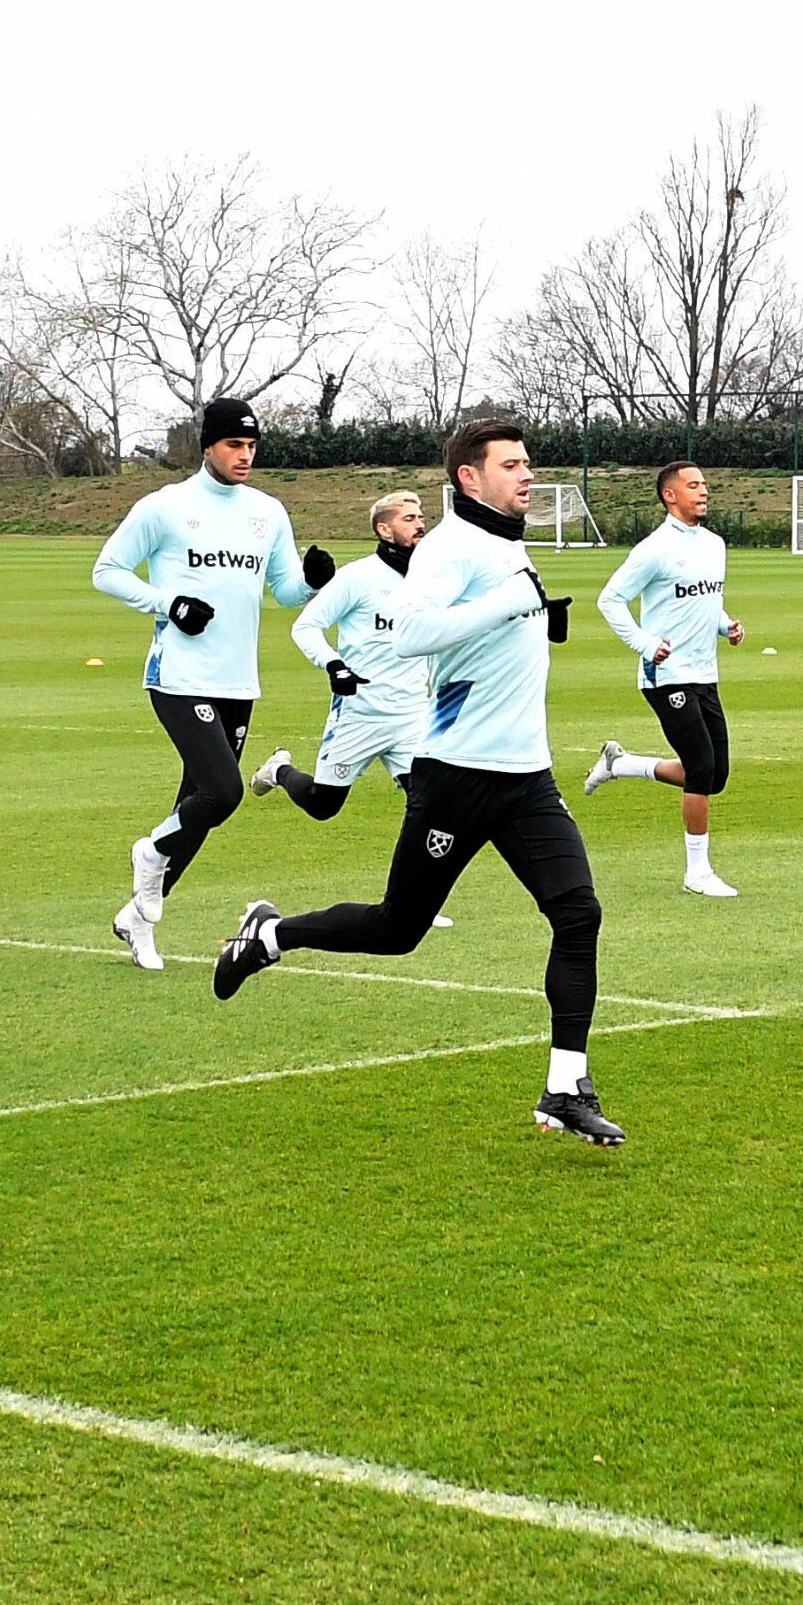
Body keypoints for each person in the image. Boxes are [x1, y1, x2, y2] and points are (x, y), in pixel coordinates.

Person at [212, 417, 622, 1146]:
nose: (528, 474)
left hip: (526, 778)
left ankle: (566, 1087)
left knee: (578, 914)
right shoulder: (448, 547)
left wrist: (534, 619)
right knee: (398, 929)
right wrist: (509, 605)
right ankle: (270, 935)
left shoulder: (506, 542)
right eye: (511, 465)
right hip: (457, 777)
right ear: (470, 476)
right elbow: (412, 634)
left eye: (527, 463)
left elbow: (486, 633)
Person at [91, 397, 329, 969]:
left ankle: (138, 919)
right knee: (222, 792)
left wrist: (313, 582)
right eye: (233, 445)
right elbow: (107, 571)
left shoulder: (268, 511)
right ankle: (150, 853)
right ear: (207, 447)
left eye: (251, 446)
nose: (245, 455)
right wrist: (169, 603)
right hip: (179, 674)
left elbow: (285, 591)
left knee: (199, 808)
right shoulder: (165, 506)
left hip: (237, 680)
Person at [582, 460, 747, 897]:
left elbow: (706, 599)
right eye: (693, 485)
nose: (703, 490)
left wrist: (726, 625)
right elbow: (610, 599)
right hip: (666, 675)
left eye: (704, 483)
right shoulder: (653, 549)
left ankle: (621, 764)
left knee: (715, 776)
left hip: (705, 673)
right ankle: (698, 872)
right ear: (669, 495)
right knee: (701, 768)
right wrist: (644, 643)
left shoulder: (714, 544)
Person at [252, 491, 433, 833]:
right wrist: (334, 665)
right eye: (409, 519)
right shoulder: (357, 577)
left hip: (412, 715)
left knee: (431, 805)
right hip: (360, 712)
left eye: (421, 518)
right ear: (384, 530)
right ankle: (278, 770)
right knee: (323, 805)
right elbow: (305, 626)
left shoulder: (430, 579)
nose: (420, 525)